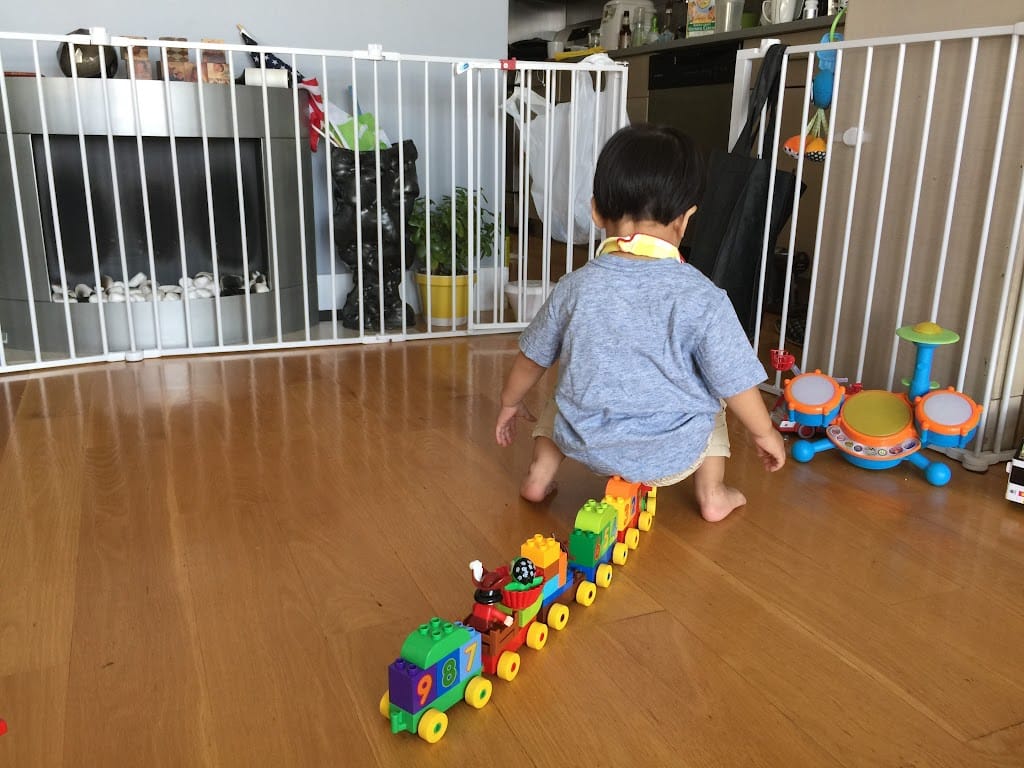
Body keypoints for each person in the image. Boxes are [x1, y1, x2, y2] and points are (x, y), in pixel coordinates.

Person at [494, 124, 785, 523]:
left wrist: (510, 402)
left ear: (596, 211)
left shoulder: (575, 287)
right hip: (673, 454)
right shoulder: (703, 297)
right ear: (685, 220)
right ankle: (712, 494)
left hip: (586, 443)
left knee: (560, 397)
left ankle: (539, 476)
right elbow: (736, 381)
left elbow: (533, 358)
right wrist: (765, 433)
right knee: (714, 399)